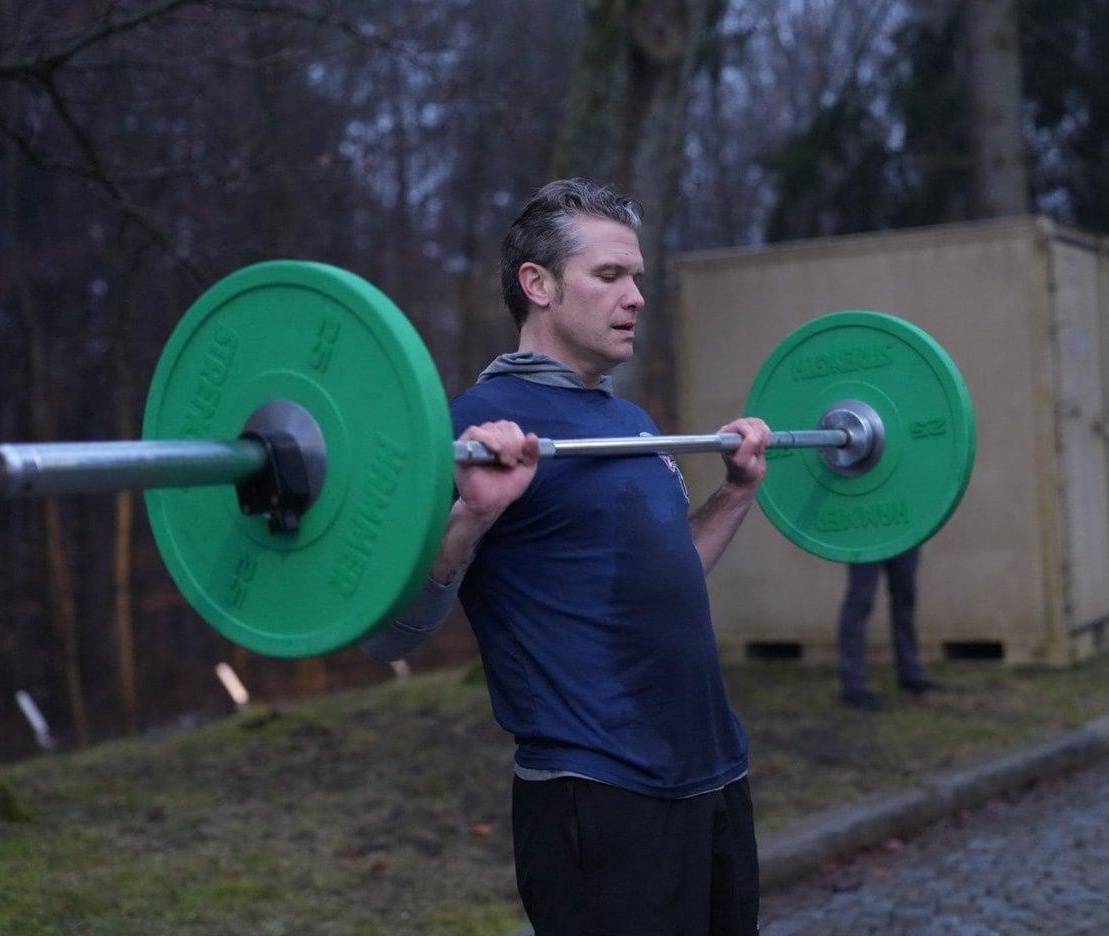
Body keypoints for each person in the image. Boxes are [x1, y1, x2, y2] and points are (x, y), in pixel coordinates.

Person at [363, 179, 769, 935]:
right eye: (610, 276)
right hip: (598, 793)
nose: (637, 296)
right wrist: (472, 516)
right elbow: (392, 633)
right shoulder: (475, 427)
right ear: (538, 285)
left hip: (712, 776)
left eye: (638, 276)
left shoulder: (629, 420)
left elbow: (669, 573)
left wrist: (737, 493)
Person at [836, 548, 938, 710]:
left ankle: (910, 674)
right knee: (860, 601)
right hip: (866, 536)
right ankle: (853, 685)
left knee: (905, 597)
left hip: (904, 532)